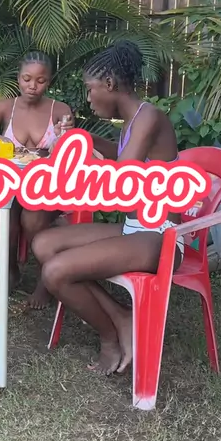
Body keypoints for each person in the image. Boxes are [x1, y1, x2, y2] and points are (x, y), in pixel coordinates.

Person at [32, 40, 184, 375]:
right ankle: (121, 316)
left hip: (161, 236)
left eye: (90, 89)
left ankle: (109, 337)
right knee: (44, 243)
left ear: (110, 84)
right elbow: (121, 153)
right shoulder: (134, 120)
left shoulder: (149, 117)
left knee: (55, 272)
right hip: (135, 228)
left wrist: (80, 163)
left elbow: (122, 178)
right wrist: (79, 138)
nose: (88, 98)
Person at [0, 50, 74, 303]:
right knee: (1, 213)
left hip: (47, 186)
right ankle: (9, 271)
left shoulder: (60, 110)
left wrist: (63, 137)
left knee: (32, 218)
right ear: (18, 78)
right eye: (27, 79)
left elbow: (71, 152)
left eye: (40, 81)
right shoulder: (5, 107)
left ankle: (45, 281)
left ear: (49, 81)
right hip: (11, 184)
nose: (33, 86)